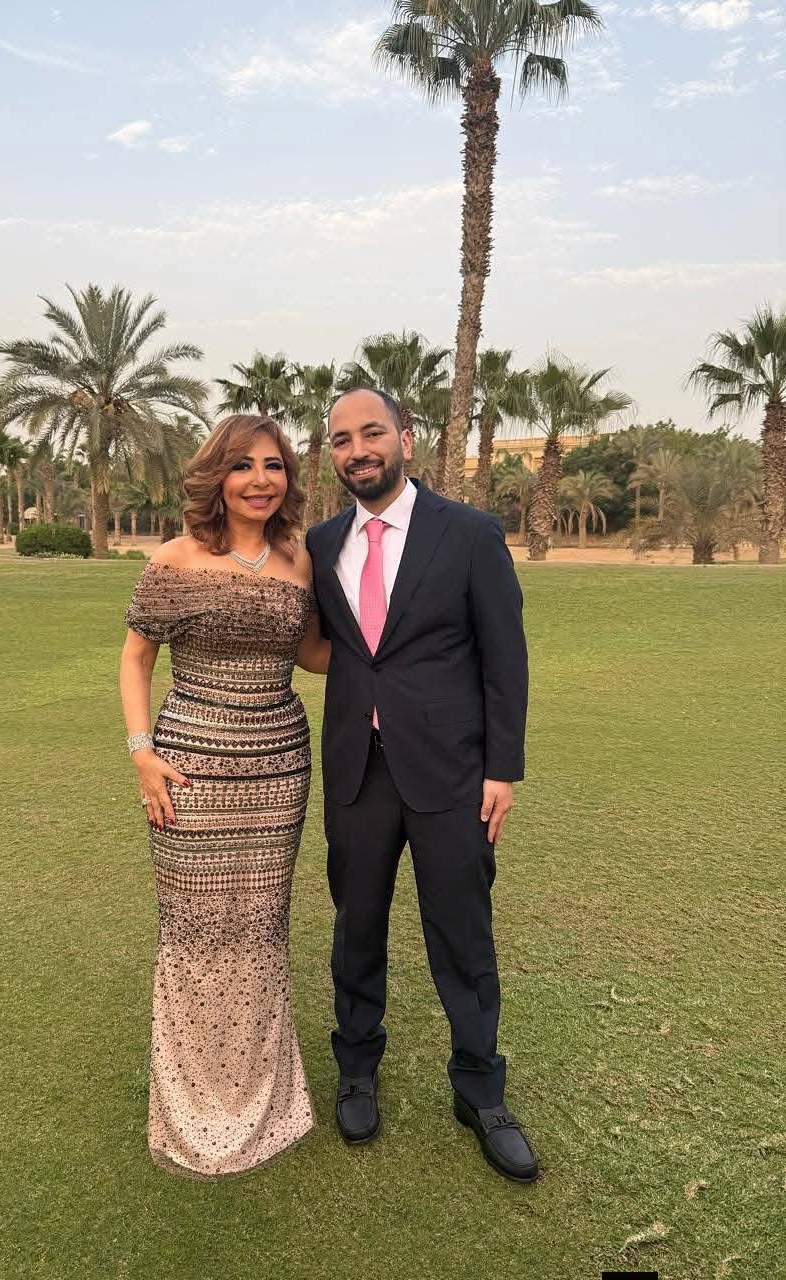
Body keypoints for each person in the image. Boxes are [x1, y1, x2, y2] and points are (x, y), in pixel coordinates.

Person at [305, 388, 539, 1182]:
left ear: (406, 439)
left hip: (453, 773)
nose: (357, 450)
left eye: (372, 432)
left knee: (462, 936)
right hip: (357, 771)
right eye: (342, 439)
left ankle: (480, 1091)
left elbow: (505, 656)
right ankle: (357, 1069)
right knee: (356, 927)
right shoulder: (322, 542)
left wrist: (503, 768)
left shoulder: (469, 533)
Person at [119, 414, 329, 1178]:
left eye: (273, 465)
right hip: (191, 770)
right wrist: (142, 754)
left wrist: (396, 640)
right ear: (217, 477)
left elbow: (311, 655)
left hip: (277, 769)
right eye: (243, 466)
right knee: (194, 927)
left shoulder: (300, 561)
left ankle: (262, 1098)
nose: (260, 480)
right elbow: (136, 659)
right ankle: (191, 1102)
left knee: (261, 926)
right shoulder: (173, 560)